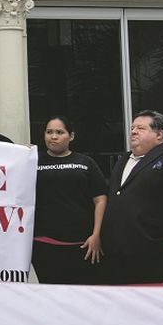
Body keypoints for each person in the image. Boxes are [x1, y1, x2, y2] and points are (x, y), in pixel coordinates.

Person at [101, 110, 163, 284]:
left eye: (140, 128)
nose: (133, 131)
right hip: (118, 258)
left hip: (157, 257)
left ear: (159, 134)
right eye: (132, 128)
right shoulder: (122, 160)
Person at [32, 116, 107, 284]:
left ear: (71, 136)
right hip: (43, 243)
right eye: (49, 132)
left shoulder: (85, 162)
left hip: (82, 244)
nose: (53, 136)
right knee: (51, 293)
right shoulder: (32, 161)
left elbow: (100, 200)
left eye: (60, 132)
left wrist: (96, 235)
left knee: (81, 294)